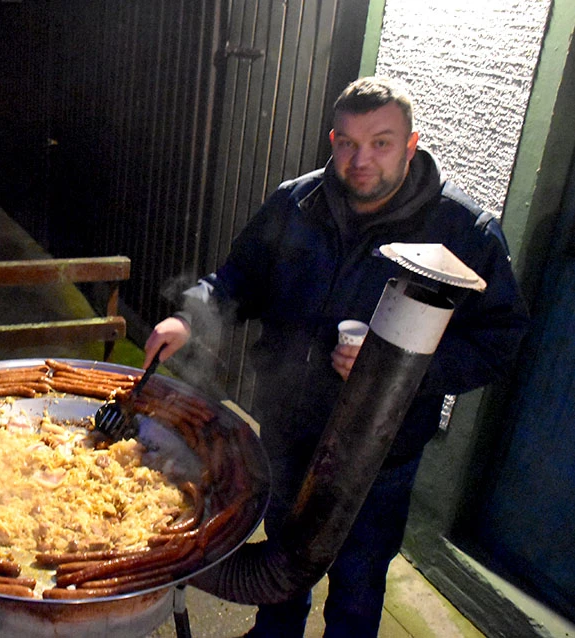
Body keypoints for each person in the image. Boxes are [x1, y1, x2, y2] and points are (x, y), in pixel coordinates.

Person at [143, 76, 529, 637]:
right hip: (286, 434)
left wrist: (403, 366)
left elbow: (501, 340)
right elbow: (237, 279)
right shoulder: (294, 202)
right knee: (279, 571)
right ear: (332, 140)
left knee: (359, 582)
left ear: (411, 144)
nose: (360, 159)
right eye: (346, 142)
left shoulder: (463, 232)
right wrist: (188, 314)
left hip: (379, 456)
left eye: (380, 142)